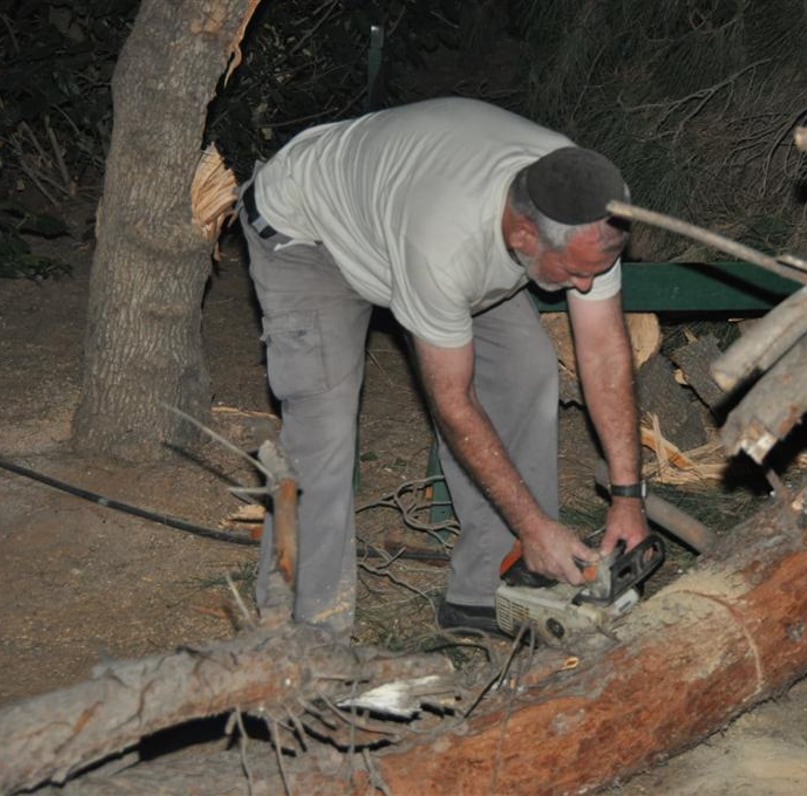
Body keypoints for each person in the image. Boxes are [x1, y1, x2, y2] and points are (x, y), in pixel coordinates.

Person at [237, 97, 649, 635]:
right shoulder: (444, 244)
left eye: (597, 271)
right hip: (308, 235)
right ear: (525, 236)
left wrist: (627, 495)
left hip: (407, 221)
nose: (587, 287)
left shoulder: (583, 208)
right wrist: (533, 523)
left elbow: (603, 352)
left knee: (526, 370)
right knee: (324, 434)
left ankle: (489, 590)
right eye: (575, 274)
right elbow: (454, 403)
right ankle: (303, 640)